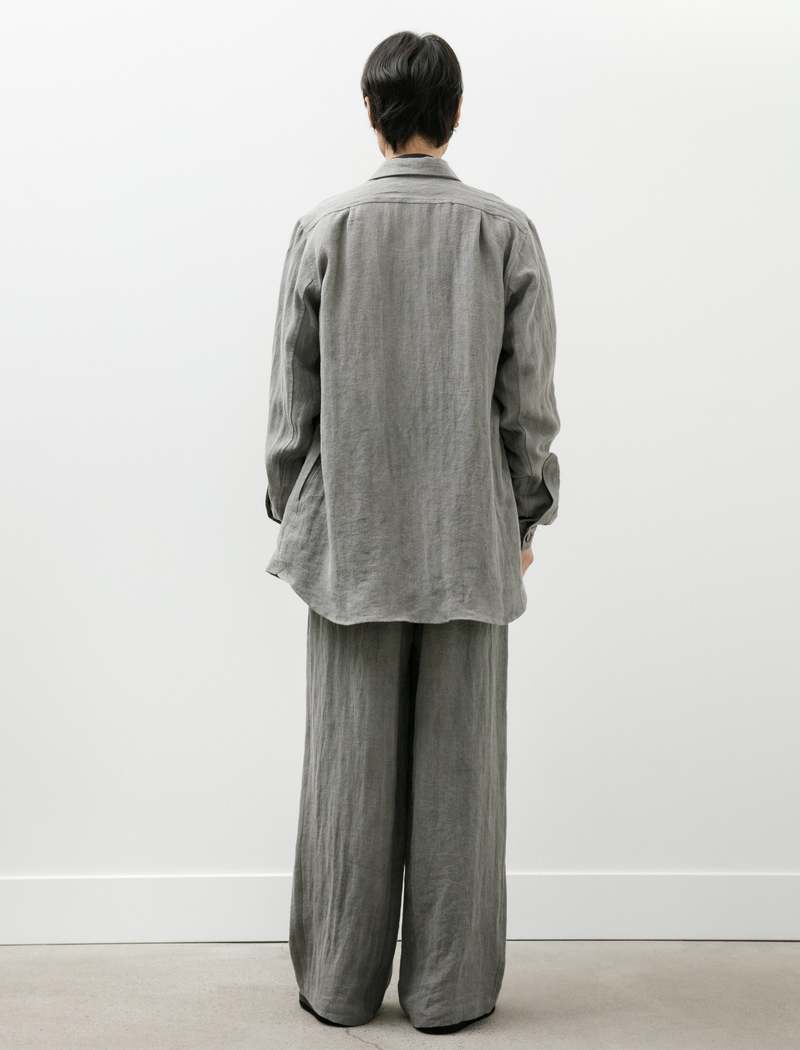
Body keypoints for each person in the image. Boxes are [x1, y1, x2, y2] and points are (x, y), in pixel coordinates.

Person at [264, 30, 560, 1035]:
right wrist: (526, 511)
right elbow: (529, 406)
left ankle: (340, 985)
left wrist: (297, 510)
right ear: (456, 111)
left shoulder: (324, 229)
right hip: (467, 538)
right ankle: (448, 992)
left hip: (352, 538)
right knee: (459, 779)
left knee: (347, 771)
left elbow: (291, 408)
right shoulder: (504, 232)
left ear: (371, 113)